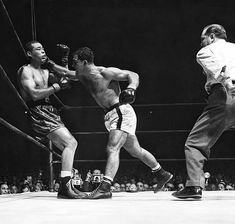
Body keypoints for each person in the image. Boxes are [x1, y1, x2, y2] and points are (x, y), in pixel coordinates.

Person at [68, 47, 173, 199]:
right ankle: (162, 173)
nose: (73, 65)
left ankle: (105, 187)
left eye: (75, 62)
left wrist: (131, 88)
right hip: (111, 116)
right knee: (135, 150)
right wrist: (51, 64)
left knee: (112, 147)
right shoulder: (84, 75)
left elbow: (133, 74)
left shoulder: (105, 72)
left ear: (84, 62)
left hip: (120, 112)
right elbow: (68, 74)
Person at [172, 24, 235, 199]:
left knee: (194, 144)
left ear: (212, 36)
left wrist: (229, 84)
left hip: (225, 96)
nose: (202, 43)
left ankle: (194, 186)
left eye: (203, 38)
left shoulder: (206, 51)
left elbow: (219, 69)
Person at [17, 41, 87, 199]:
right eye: (38, 49)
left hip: (49, 112)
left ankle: (65, 185)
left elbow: (66, 80)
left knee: (67, 146)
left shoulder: (45, 71)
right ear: (29, 54)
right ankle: (64, 186)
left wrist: (65, 57)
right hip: (37, 111)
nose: (43, 51)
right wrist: (56, 87)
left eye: (43, 48)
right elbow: (34, 94)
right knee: (71, 143)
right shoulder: (25, 71)